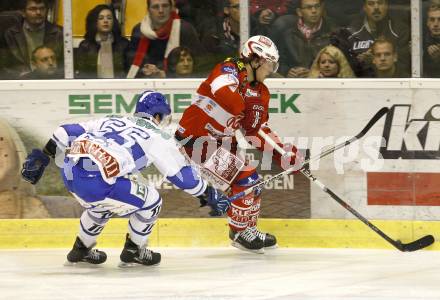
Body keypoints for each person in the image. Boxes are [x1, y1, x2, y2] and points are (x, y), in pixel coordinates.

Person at [21, 90, 229, 266]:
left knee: (102, 205)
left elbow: (65, 131)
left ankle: (81, 248)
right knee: (152, 201)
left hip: (71, 174)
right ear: (158, 115)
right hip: (99, 182)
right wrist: (208, 194)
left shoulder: (113, 118)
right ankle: (135, 250)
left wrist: (44, 155)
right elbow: (181, 176)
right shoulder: (158, 135)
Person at [175, 35, 302, 253]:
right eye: (269, 63)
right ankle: (240, 232)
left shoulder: (260, 91)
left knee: (253, 183)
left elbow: (256, 131)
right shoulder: (229, 68)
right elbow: (222, 91)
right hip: (196, 142)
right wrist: (247, 104)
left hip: (221, 143)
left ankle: (246, 229)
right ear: (255, 60)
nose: (271, 70)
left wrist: (284, 154)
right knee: (247, 179)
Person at [126, 0, 204, 78]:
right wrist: (145, 70)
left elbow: (199, 65)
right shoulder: (139, 30)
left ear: (171, 8)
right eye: (155, 7)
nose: (161, 11)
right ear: (148, 10)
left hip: (177, 82)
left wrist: (164, 74)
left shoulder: (185, 29)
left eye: (165, 6)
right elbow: (130, 63)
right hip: (145, 82)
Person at [1, 0, 63, 79]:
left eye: (42, 8)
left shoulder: (59, 33)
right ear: (23, 13)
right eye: (33, 9)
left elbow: (65, 65)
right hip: (20, 81)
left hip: (50, 80)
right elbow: (4, 66)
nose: (38, 12)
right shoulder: (10, 35)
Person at [347, 0, 410, 77]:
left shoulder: (400, 30)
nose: (376, 7)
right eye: (371, 4)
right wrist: (361, 62)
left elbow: (406, 65)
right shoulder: (352, 33)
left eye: (380, 3)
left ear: (386, 6)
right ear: (364, 8)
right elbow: (345, 68)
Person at [276, 0, 337, 78]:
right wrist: (287, 71)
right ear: (299, 12)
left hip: (323, 83)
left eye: (317, 6)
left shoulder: (333, 33)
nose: (314, 11)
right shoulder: (287, 34)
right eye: (309, 7)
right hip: (294, 83)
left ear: (322, 8)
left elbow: (340, 65)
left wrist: (314, 73)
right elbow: (280, 62)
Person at [75, 4, 129, 79]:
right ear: (95, 22)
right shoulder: (85, 46)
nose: (105, 21)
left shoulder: (123, 44)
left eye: (109, 18)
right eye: (101, 18)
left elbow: (127, 71)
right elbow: (82, 74)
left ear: (113, 22)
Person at [423, 4, 440, 77]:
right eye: (432, 19)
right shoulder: (419, 42)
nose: (436, 24)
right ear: (427, 22)